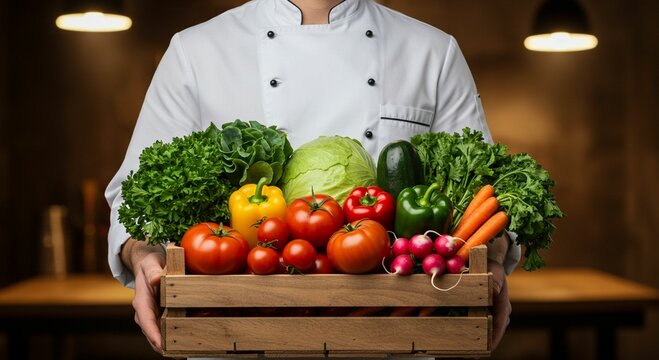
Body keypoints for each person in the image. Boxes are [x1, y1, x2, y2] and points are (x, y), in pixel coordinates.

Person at [105, 0, 520, 355]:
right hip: (232, 342)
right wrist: (144, 258)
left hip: (392, 343)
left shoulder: (432, 51)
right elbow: (137, 194)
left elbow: (486, 190)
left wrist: (495, 261)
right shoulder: (195, 52)